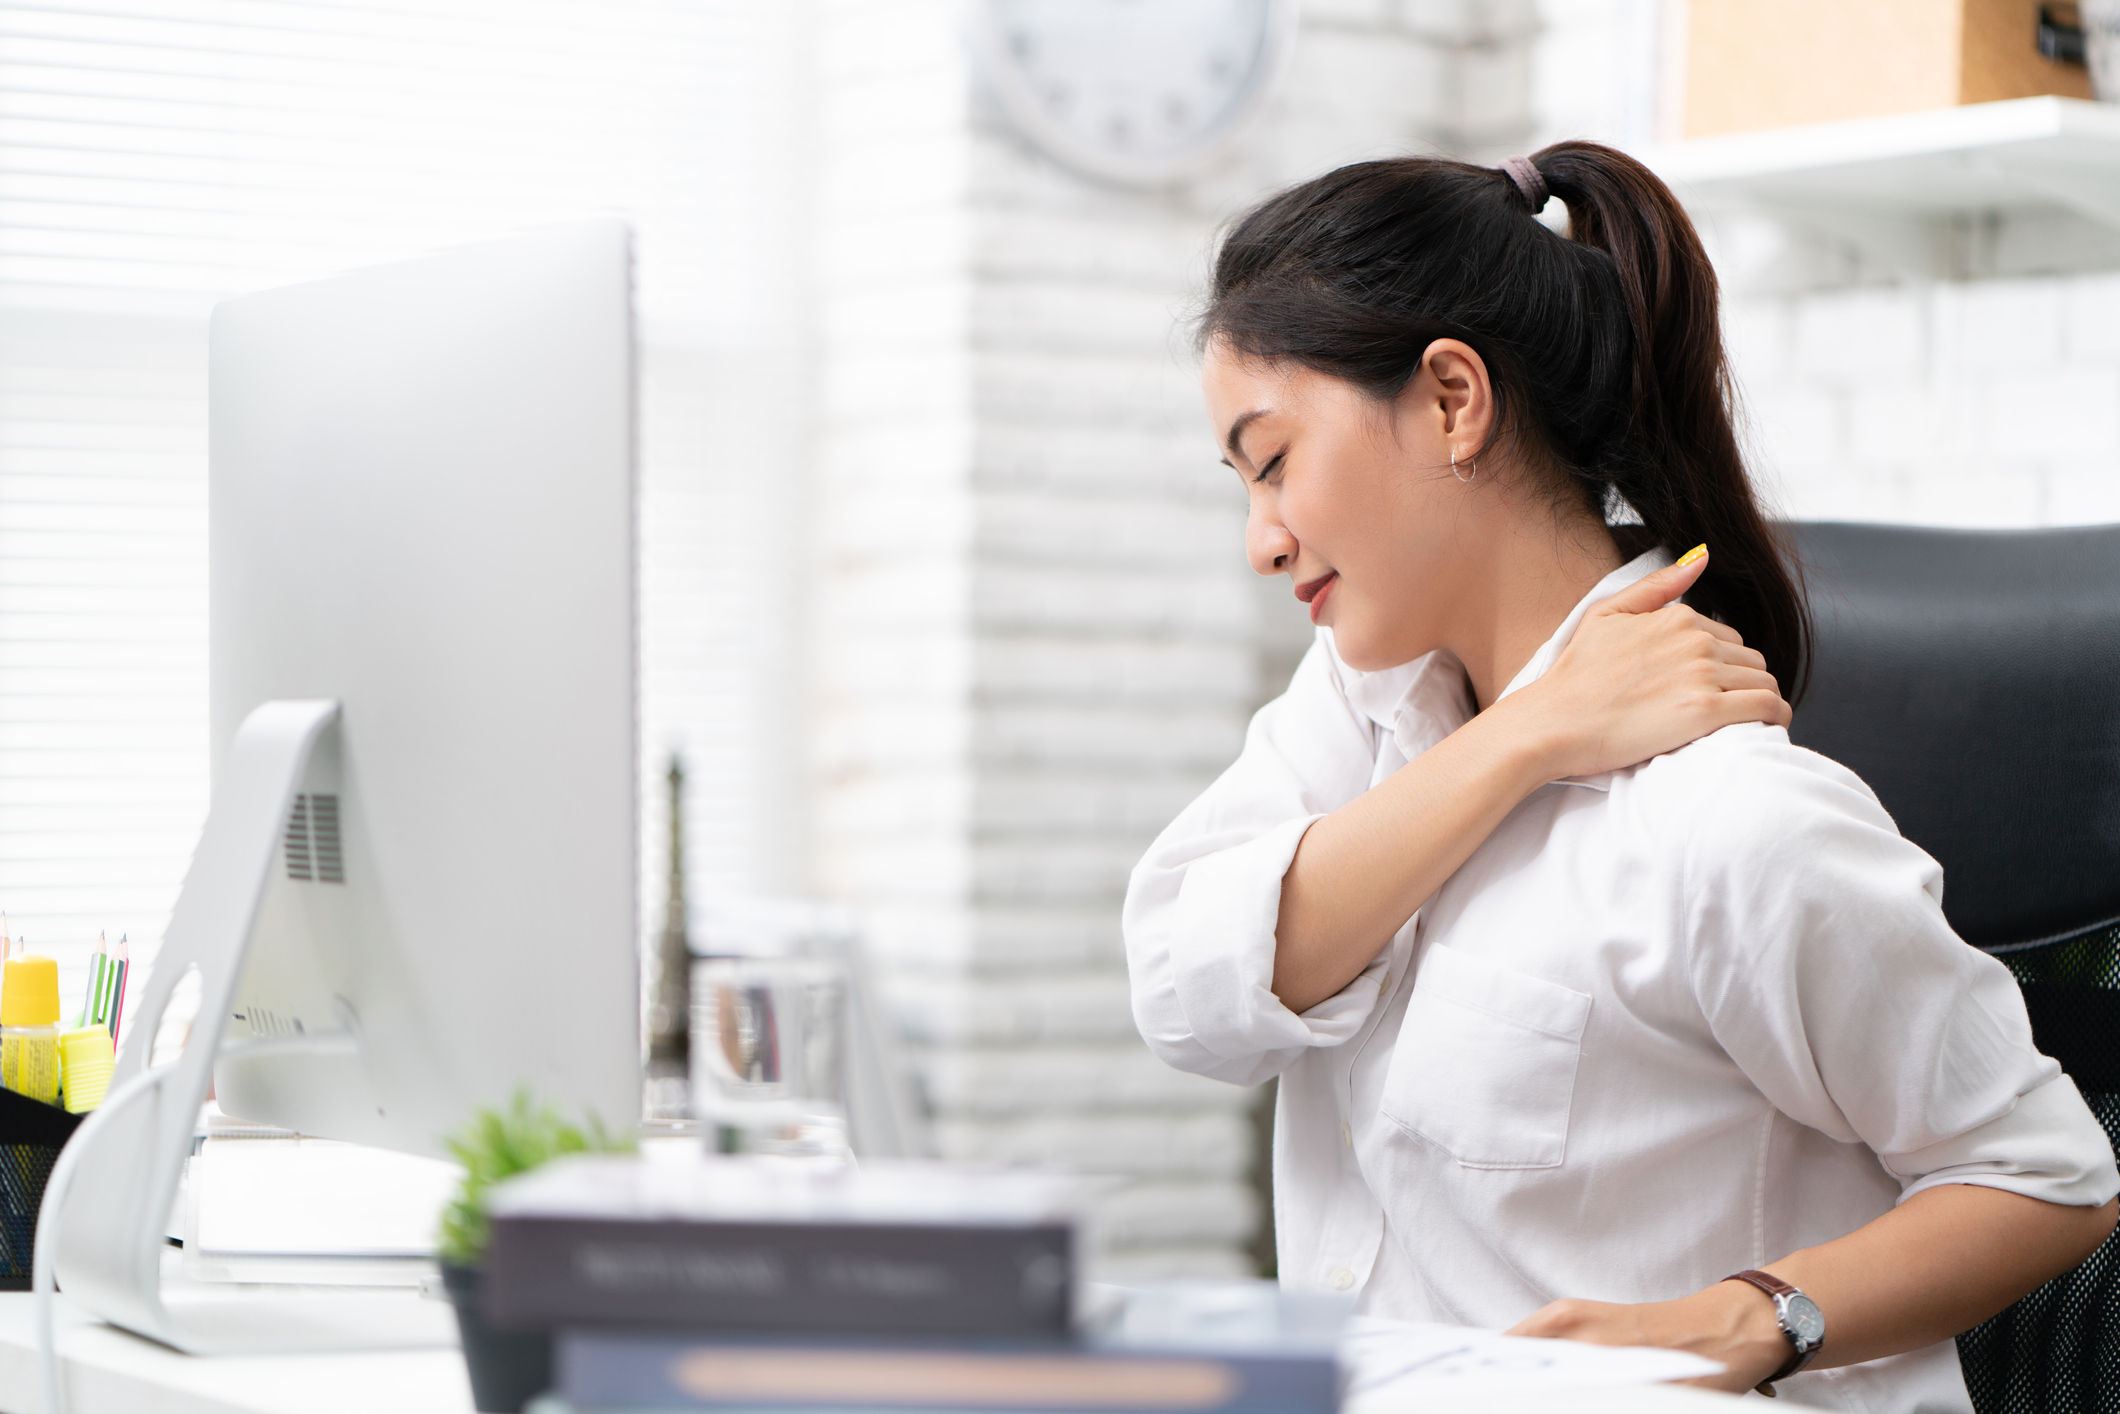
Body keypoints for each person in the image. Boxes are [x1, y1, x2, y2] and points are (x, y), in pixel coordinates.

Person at [1123, 143, 2119, 1412]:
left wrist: (1747, 1321)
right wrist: (1530, 732)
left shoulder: (1732, 823)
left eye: (1270, 464)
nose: (1261, 542)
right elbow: (1186, 991)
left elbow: (2050, 1176)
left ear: (1447, 399)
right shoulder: (1359, 716)